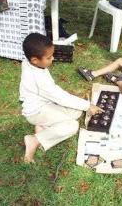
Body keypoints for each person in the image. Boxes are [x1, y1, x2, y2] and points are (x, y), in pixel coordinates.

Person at [20, 33, 103, 163]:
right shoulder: (39, 80)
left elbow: (57, 95)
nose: (52, 59)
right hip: (37, 111)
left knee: (76, 111)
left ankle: (44, 127)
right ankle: (34, 140)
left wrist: (82, 105)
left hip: (46, 104)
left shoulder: (30, 63)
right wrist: (88, 105)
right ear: (35, 60)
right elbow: (61, 97)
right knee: (72, 126)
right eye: (48, 57)